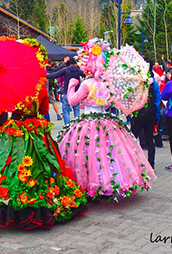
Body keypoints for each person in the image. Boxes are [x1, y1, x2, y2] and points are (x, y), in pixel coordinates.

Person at [0, 44, 88, 229]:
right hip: (34, 129)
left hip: (13, 129)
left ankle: (3, 199)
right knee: (42, 162)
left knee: (6, 161)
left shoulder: (10, 83)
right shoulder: (39, 86)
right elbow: (43, 110)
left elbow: (1, 103)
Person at [57, 40, 156, 199]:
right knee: (107, 153)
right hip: (106, 122)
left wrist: (71, 85)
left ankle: (89, 186)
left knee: (86, 154)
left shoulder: (87, 84)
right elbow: (112, 103)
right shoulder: (108, 85)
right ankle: (106, 183)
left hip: (87, 123)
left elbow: (72, 101)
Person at [131, 60, 161, 169]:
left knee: (132, 139)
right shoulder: (154, 83)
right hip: (150, 115)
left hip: (137, 115)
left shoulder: (136, 82)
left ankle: (133, 163)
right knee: (150, 141)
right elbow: (157, 102)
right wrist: (157, 117)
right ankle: (151, 164)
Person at [47, 57, 85, 125]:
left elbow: (54, 75)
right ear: (76, 63)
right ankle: (77, 126)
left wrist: (43, 74)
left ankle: (67, 126)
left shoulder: (65, 70)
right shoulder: (79, 71)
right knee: (76, 110)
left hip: (67, 92)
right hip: (76, 93)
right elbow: (86, 75)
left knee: (65, 110)